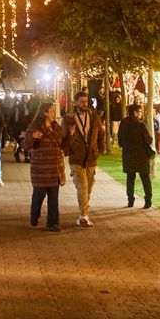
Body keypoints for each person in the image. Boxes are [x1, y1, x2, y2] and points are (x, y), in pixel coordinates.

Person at [63, 88, 106, 227]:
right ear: (76, 103)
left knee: (89, 185)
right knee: (83, 185)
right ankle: (83, 215)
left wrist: (100, 149)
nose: (84, 104)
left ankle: (83, 209)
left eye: (86, 101)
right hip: (76, 157)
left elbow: (101, 133)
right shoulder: (69, 118)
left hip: (92, 156)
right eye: (81, 102)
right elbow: (64, 137)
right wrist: (68, 151)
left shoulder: (94, 116)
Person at [26, 101, 66, 231]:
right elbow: (25, 144)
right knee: (39, 196)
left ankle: (53, 223)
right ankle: (34, 214)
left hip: (55, 169)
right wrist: (33, 136)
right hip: (41, 170)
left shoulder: (56, 127)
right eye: (52, 110)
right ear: (45, 112)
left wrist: (70, 135)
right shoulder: (35, 127)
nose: (54, 113)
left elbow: (63, 144)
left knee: (54, 199)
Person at [117, 103, 154, 208]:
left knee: (130, 178)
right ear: (135, 113)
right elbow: (148, 140)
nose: (141, 114)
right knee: (145, 178)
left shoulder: (123, 123)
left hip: (128, 155)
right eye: (140, 112)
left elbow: (120, 141)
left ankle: (130, 200)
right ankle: (148, 200)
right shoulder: (140, 125)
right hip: (141, 155)